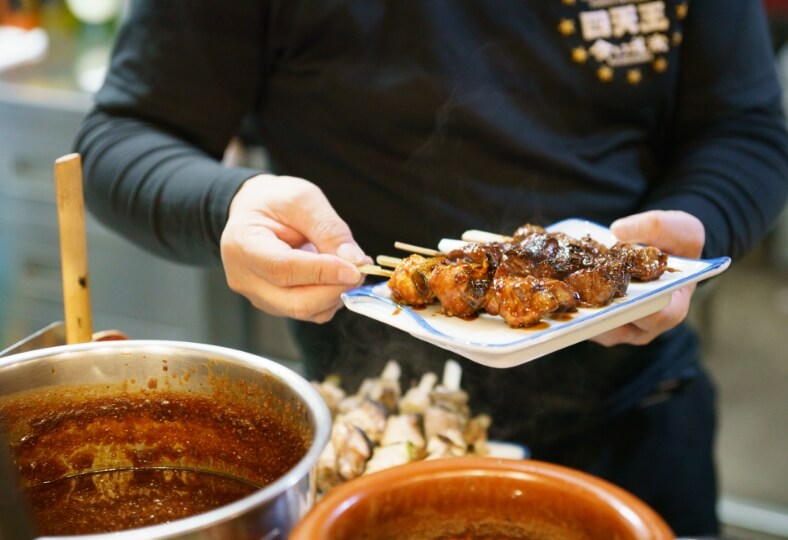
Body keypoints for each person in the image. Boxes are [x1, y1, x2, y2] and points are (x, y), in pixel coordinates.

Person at [73, 2, 788, 535]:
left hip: (639, 419)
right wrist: (227, 205)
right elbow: (122, 136)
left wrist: (693, 229)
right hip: (379, 437)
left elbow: (747, 128)